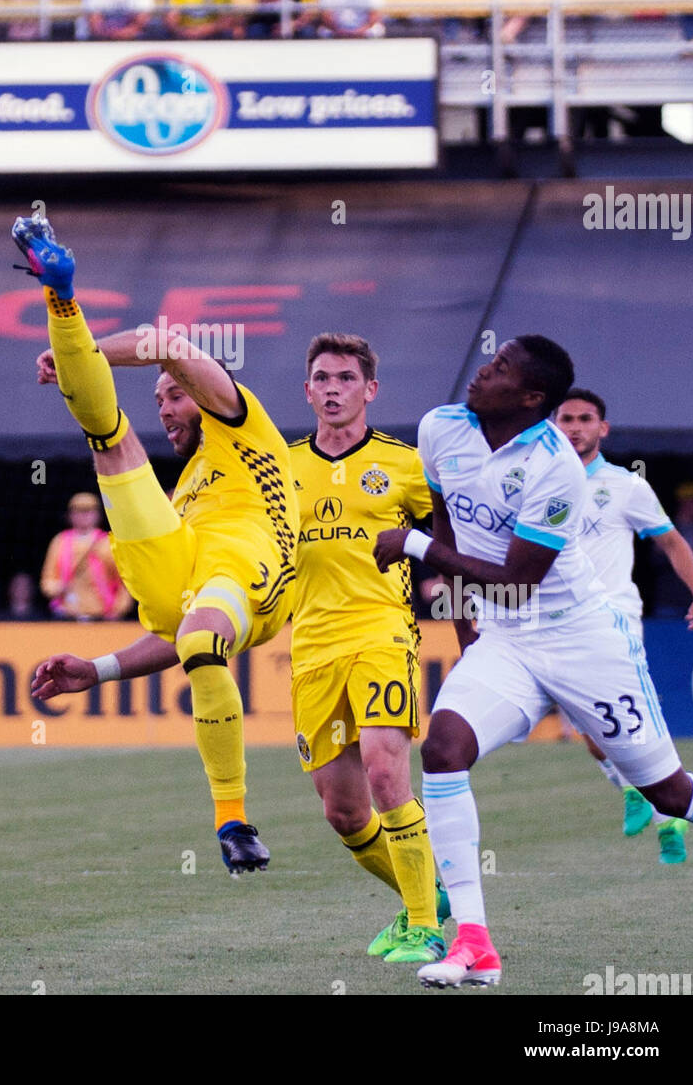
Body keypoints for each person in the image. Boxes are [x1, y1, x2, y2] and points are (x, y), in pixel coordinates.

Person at [373, 336, 693, 987]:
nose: (482, 370)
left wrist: (412, 545)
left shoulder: (555, 468)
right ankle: (474, 944)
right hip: (506, 637)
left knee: (667, 793)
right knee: (442, 749)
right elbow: (447, 521)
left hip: (581, 638)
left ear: (529, 398)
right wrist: (465, 627)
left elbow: (518, 579)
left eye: (499, 370)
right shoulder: (440, 427)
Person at [20, 213, 297, 873]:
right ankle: (58, 293)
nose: (167, 406)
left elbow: (167, 341)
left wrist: (85, 355)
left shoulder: (243, 426)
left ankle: (232, 820)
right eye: (160, 397)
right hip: (191, 580)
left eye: (175, 396)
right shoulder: (183, 496)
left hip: (251, 567)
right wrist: (100, 669)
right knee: (110, 441)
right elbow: (174, 633)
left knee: (205, 634)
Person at [289, 333, 446, 964]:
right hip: (310, 648)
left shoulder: (404, 464)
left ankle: (424, 924)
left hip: (382, 631)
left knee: (386, 771)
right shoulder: (280, 466)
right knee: (345, 812)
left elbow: (453, 526)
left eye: (346, 379)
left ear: (369, 390)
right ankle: (429, 894)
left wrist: (443, 572)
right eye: (322, 379)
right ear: (307, 390)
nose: (333, 389)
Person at [555, 388, 693, 865]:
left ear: (602, 429)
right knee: (587, 726)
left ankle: (667, 810)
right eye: (567, 419)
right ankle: (640, 796)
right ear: (553, 426)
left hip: (615, 619)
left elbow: (673, 544)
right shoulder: (536, 487)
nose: (575, 427)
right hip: (559, 624)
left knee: (632, 721)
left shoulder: (626, 486)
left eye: (585, 419)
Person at [40, 492, 131, 621]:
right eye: (78, 511)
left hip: (101, 614)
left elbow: (124, 580)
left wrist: (119, 609)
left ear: (97, 515)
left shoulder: (108, 542)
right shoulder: (60, 541)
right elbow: (47, 580)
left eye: (88, 511)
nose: (83, 516)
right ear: (70, 515)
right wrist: (58, 587)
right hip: (68, 614)